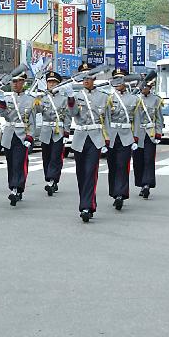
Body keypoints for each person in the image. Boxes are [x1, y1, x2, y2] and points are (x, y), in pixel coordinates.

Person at [67, 62, 107, 223]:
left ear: (94, 78)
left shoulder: (104, 96)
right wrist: (70, 99)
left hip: (96, 137)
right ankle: (88, 202)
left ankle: (86, 206)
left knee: (91, 172)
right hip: (80, 137)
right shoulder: (76, 96)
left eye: (88, 77)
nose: (85, 80)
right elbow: (73, 113)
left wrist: (107, 140)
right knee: (81, 173)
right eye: (82, 77)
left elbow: (108, 120)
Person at [0, 71, 36, 206]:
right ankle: (13, 186)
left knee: (20, 162)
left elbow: (32, 121)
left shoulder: (30, 100)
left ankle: (16, 187)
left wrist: (30, 136)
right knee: (11, 162)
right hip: (9, 134)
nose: (15, 84)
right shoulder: (7, 98)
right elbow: (3, 114)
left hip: (22, 134)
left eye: (18, 81)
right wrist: (1, 102)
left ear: (23, 83)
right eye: (13, 81)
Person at [105, 70, 137, 211]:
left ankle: (120, 194)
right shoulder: (108, 98)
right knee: (112, 166)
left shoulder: (134, 99)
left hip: (125, 136)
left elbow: (137, 119)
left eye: (121, 80)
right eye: (116, 80)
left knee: (122, 165)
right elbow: (104, 119)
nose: (118, 83)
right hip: (111, 136)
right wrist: (104, 137)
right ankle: (114, 192)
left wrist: (135, 138)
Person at [37, 71, 69, 196]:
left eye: (54, 82)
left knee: (56, 156)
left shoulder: (63, 99)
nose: (51, 84)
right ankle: (49, 178)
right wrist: (36, 99)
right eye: (50, 82)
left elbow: (67, 116)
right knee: (46, 156)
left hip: (58, 131)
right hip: (45, 131)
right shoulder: (43, 97)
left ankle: (52, 179)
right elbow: (38, 110)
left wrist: (66, 131)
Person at [133, 78, 163, 199]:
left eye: (146, 87)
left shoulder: (156, 100)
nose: (144, 89)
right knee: (138, 160)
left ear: (150, 88)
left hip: (150, 133)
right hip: (137, 133)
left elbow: (159, 118)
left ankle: (147, 184)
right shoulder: (135, 99)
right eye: (142, 87)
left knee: (149, 159)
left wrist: (158, 132)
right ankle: (141, 183)